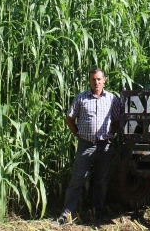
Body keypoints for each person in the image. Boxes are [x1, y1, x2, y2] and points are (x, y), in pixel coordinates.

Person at [56, 68, 121, 225]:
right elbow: (69, 119)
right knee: (77, 179)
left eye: (99, 79)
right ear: (89, 81)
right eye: (93, 79)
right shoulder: (81, 98)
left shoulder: (112, 99)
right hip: (85, 146)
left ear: (104, 80)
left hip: (105, 147)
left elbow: (117, 120)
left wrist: (109, 134)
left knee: (101, 181)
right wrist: (78, 134)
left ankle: (98, 213)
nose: (96, 82)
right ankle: (66, 214)